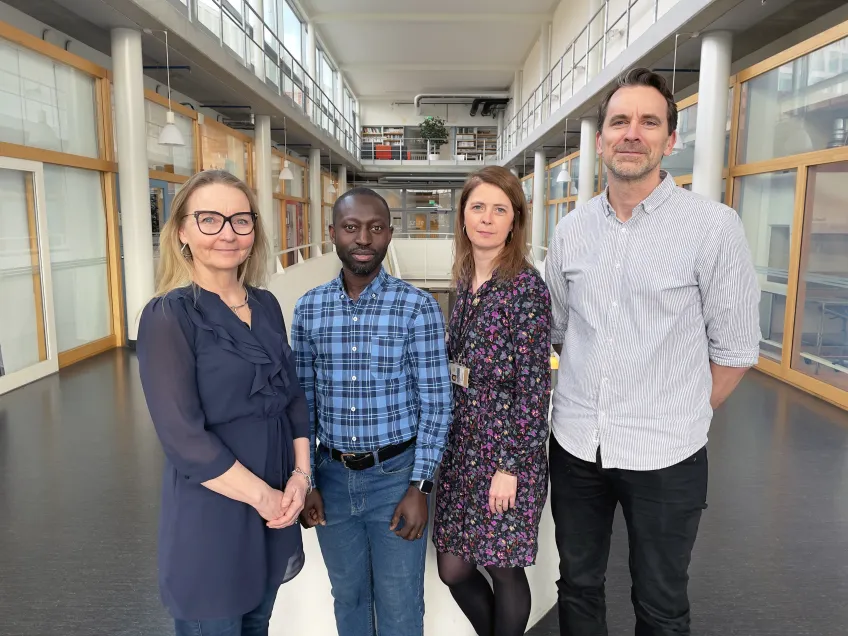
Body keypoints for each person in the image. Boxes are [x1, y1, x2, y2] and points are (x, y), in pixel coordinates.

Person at [545, 67, 761, 636]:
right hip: (576, 446)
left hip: (668, 454)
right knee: (578, 587)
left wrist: (681, 408)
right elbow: (562, 329)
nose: (631, 133)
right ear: (601, 140)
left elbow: (736, 349)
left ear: (670, 140)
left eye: (649, 122)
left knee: (662, 603)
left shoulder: (712, 228)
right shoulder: (571, 232)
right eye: (619, 121)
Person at [137, 170, 311, 636]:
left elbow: (293, 399)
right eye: (210, 220)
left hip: (276, 505)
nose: (228, 234)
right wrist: (265, 498)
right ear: (182, 232)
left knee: (258, 625)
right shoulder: (168, 316)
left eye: (240, 220)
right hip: (213, 512)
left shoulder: (268, 304)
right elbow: (183, 438)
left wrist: (300, 477)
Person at [291, 187, 452, 636]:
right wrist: (307, 480)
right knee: (349, 598)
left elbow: (437, 404)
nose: (364, 238)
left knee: (401, 603)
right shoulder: (308, 310)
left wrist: (420, 485)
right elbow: (302, 405)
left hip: (396, 481)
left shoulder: (417, 307)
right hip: (331, 479)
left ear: (389, 234)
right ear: (333, 234)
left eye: (376, 228)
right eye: (351, 227)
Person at [433, 166, 552, 636]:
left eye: (499, 209)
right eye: (477, 207)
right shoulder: (464, 278)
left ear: (514, 220)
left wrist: (511, 465)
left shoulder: (526, 289)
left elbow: (532, 388)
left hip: (506, 450)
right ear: (463, 215)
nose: (487, 218)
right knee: (454, 569)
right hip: (464, 446)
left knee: (504, 567)